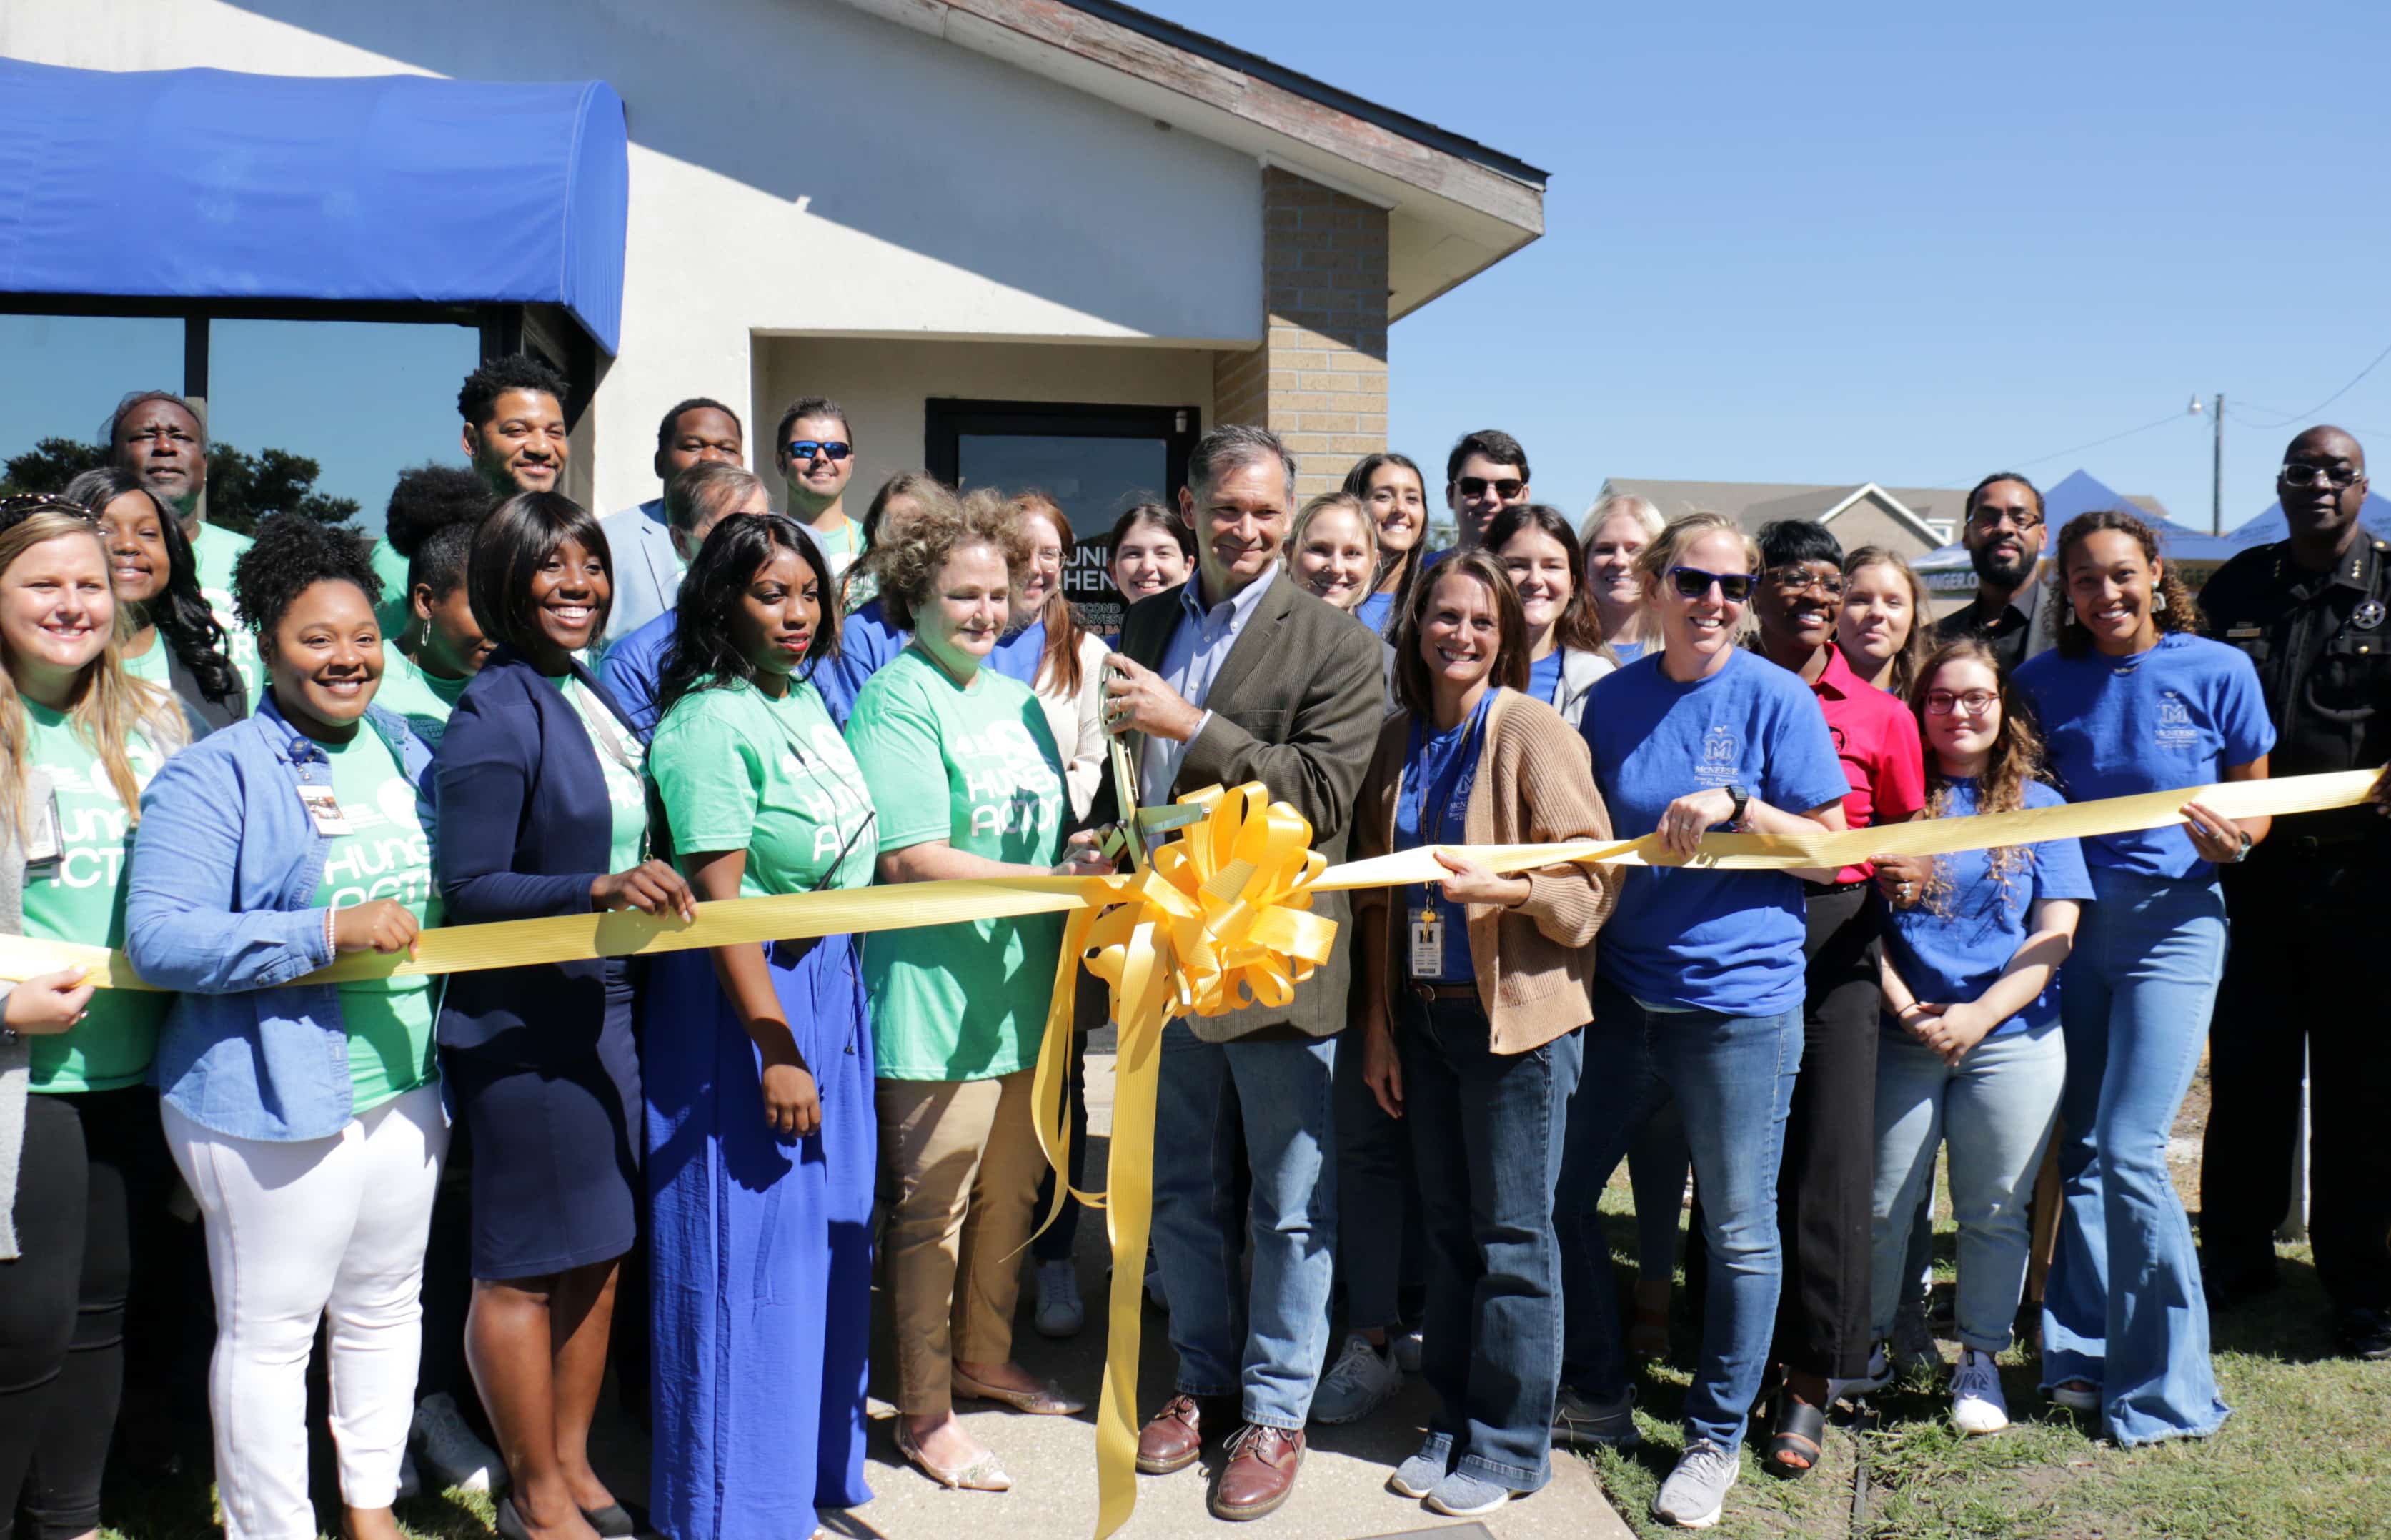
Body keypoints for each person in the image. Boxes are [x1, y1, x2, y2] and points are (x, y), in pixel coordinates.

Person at [127, 513, 442, 1540]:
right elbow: (162, 938)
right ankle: (272, 1525)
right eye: (316, 638)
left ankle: (370, 1509)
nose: (346, 658)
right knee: (269, 1335)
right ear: (266, 641)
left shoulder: (407, 748)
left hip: (406, 1081)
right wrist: (323, 931)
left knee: (387, 1308)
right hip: (266, 1093)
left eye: (361, 636)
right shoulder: (212, 773)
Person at [1092, 424, 1383, 1522]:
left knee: (1290, 1204)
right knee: (1182, 1189)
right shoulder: (1151, 618)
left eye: (1267, 512)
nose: (1248, 530)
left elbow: (1319, 792)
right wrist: (1106, 840)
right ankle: (1201, 1381)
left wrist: (1194, 722)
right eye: (1228, 510)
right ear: (1190, 506)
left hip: (1277, 963)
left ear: (1291, 513)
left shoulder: (1338, 645)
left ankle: (1273, 1408)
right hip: (1167, 956)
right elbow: (1132, 769)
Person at [1558, 512, 1849, 1531]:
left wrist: (1741, 806)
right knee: (1559, 1198)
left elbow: (1830, 845)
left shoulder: (1776, 696)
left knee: (1735, 1228)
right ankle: (1596, 1387)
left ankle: (1712, 1436)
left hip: (1738, 1009)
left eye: (1735, 584)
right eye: (1695, 580)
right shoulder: (1607, 700)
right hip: (1622, 1000)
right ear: (1653, 580)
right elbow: (1574, 838)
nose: (1716, 602)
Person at [433, 492, 697, 1539]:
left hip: (607, 1012)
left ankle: (576, 1465)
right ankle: (536, 1498)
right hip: (524, 1028)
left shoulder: (582, 688)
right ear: (507, 578)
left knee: (599, 1249)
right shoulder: (493, 707)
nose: (577, 585)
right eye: (552, 567)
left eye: (589, 565)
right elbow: (471, 885)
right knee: (522, 1264)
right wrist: (595, 889)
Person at [845, 489, 1103, 1494]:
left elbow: (1037, 838)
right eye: (961, 594)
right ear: (915, 596)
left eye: (996, 594)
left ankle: (983, 1355)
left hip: (1021, 988)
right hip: (933, 997)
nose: (984, 612)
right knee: (931, 1210)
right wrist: (1053, 881)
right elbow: (910, 858)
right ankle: (922, 1408)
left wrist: (1079, 854)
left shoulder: (1016, 700)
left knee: (1013, 1192)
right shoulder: (896, 697)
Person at [1349, 551, 1617, 1517]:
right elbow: (1379, 904)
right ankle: (1457, 1417)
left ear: (1504, 635)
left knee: (1512, 1234)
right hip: (1421, 1020)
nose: (1459, 635)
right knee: (1451, 1231)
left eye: (1480, 622)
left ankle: (1510, 1445)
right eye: (1443, 616)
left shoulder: (1530, 730)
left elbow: (1594, 883)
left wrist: (1505, 889)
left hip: (1515, 1026)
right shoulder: (1399, 737)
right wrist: (1379, 1025)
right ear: (1415, 622)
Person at [2018, 507, 2273, 1446]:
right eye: (2083, 580)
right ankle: (2082, 1352)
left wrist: (2236, 840)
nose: (2104, 593)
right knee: (2080, 1144)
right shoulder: (2039, 681)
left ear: (2156, 573)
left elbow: (2258, 804)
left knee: (2129, 1145)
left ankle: (2168, 1382)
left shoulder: (2219, 670)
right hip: (2078, 932)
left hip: (2176, 928)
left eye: (2119, 574)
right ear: (2065, 591)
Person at [643, 515, 875, 1539]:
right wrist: (774, 1044)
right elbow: (722, 908)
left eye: (809, 595)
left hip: (829, 980)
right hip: (749, 1002)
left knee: (820, 1247)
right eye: (772, 594)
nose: (796, 615)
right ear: (720, 602)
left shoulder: (803, 696)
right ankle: (732, 1508)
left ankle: (804, 1473)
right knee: (746, 1261)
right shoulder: (705, 721)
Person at [0, 496, 191, 1540]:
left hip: (138, 1067)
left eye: (89, 582)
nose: (72, 603)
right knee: (22, 1330)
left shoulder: (151, 719)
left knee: (99, 1311)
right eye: (43, 583)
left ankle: (68, 1520)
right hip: (25, 1075)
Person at [2197, 426, 2391, 1360]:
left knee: (2362, 1089)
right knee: (2246, 1072)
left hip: (2365, 876)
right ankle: (2234, 1258)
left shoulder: (2388, 586)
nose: (2317, 482)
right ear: (2279, 485)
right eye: (2300, 470)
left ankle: (2361, 1286)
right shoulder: (2236, 584)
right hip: (2252, 875)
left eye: (2335, 471)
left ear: (2361, 485)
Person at [1869, 637, 2088, 1436]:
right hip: (1903, 1032)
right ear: (1917, 707)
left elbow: (2055, 931)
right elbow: (1863, 930)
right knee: (1882, 1201)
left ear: (2004, 710)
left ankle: (1980, 1358)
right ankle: (1866, 1347)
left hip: (2014, 1034)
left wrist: (1979, 1014)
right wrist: (1904, 1009)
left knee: (1994, 1207)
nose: (1959, 712)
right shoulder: (1891, 799)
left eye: (1976, 697)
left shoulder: (2042, 805)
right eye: (1940, 698)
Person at [1743, 519, 1924, 1477]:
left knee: (1828, 1155)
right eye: (1795, 580)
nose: (1815, 596)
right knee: (1740, 1156)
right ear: (1757, 589)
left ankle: (1811, 1374)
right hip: (1729, 929)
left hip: (1834, 934)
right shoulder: (1719, 689)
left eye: (1829, 581)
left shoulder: (1880, 713)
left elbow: (1905, 837)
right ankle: (1731, 1349)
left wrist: (1904, 864)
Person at [1011, 492, 1118, 1339]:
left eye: (1049, 552)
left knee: (1066, 1082)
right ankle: (992, 1251)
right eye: (1019, 552)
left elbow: (1095, 763)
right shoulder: (956, 643)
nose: (1035, 567)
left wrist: (1039, 818)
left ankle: (1054, 1258)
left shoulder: (1084, 653)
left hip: (1059, 889)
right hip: (975, 893)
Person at [822, 476, 1051, 725]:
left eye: (921, 527)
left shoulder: (1009, 686)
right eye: (965, 596)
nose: (985, 614)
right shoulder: (868, 646)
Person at [597, 463, 774, 738]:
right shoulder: (633, 664)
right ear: (681, 541)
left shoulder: (796, 636)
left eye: (764, 527)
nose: (756, 545)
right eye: (732, 530)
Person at [63, 467, 246, 730]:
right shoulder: (32, 673)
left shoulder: (215, 678)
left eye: (148, 533)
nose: (128, 545)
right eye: (104, 531)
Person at [106, 389, 259, 700]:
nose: (164, 447)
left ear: (204, 465)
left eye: (181, 437)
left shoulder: (257, 559)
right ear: (113, 460)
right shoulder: (75, 555)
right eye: (146, 435)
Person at [598, 398, 745, 647]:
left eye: (727, 449)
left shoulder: (776, 538)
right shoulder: (606, 540)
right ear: (660, 463)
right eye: (692, 446)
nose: (710, 457)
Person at [372, 471, 498, 755]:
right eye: (482, 609)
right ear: (427, 602)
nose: (499, 628)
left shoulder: (509, 686)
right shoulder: (364, 679)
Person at [1488, 503, 1614, 726]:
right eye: (1517, 565)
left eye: (1551, 567)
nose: (1535, 580)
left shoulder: (1599, 682)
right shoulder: (1458, 670)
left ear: (1573, 583)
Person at [1934, 473, 2052, 672]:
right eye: (1987, 518)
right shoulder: (1932, 640)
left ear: (2042, 536)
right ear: (1966, 536)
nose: (2004, 528)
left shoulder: (2078, 629)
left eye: (2020, 519)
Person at [773, 397, 863, 583]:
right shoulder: (764, 543)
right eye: (805, 449)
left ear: (850, 465)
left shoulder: (876, 545)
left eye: (836, 450)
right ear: (781, 463)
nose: (821, 457)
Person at [459, 357, 572, 504]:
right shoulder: (434, 522)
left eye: (555, 433)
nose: (542, 448)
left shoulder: (585, 526)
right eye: (518, 430)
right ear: (472, 441)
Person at [1343, 453, 1429, 632]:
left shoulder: (1434, 596)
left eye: (1412, 498)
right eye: (1384, 496)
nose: (1400, 509)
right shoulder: (1328, 594)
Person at [1580, 493, 1664, 664]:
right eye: (1605, 549)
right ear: (1584, 559)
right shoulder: (1561, 650)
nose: (1619, 561)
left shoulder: (1684, 648)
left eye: (1634, 550)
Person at [1838, 545, 1933, 697]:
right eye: (1859, 600)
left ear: (1912, 619)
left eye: (1893, 603)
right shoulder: (1803, 697)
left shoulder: (1933, 702)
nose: (1876, 612)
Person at [1288, 490, 1379, 615]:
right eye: (1319, 549)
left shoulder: (1373, 633)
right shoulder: (1260, 629)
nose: (1336, 568)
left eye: (1352, 553)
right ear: (1290, 555)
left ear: (1374, 560)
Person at [1441, 430, 1532, 555]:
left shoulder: (1545, 573)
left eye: (1507, 487)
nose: (1491, 498)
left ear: (1525, 495)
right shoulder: (1420, 572)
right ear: (1450, 495)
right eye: (1474, 487)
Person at [1105, 502, 1194, 614]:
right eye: (1134, 554)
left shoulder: (1211, 631)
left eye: (1163, 553)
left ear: (1187, 568)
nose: (1147, 567)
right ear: (1113, 570)